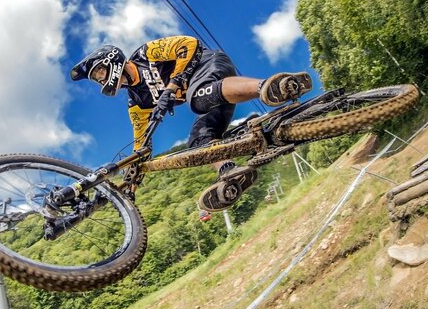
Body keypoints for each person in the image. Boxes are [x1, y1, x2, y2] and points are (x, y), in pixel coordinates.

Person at [70, 35, 312, 212]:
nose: (100, 80)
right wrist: (132, 182)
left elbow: (189, 45)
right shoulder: (137, 101)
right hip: (211, 96)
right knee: (199, 141)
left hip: (210, 66)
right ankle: (231, 173)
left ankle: (271, 86)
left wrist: (173, 85)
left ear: (110, 60)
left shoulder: (146, 54)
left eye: (99, 73)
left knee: (197, 99)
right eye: (96, 79)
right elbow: (140, 140)